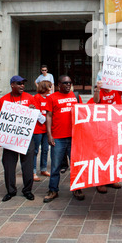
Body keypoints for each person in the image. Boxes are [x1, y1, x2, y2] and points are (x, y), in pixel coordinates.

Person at [0, 76, 40, 202]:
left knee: (27, 166)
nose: (22, 86)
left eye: (23, 84)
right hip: (10, 139)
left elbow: (36, 115)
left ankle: (27, 190)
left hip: (26, 138)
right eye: (19, 83)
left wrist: (33, 111)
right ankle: (11, 191)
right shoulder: (3, 100)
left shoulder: (29, 98)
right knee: (9, 166)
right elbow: (2, 120)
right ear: (12, 85)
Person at [43, 75, 85, 203]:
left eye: (70, 83)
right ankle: (53, 190)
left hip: (74, 137)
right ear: (59, 84)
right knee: (55, 166)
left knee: (76, 165)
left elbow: (83, 113)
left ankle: (77, 188)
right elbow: (48, 116)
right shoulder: (52, 98)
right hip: (58, 138)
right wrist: (49, 135)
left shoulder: (75, 96)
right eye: (65, 83)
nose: (68, 85)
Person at [92, 80, 122, 194]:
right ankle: (100, 182)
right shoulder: (100, 92)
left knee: (114, 155)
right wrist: (97, 89)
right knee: (102, 156)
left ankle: (112, 179)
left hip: (115, 129)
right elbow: (95, 100)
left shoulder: (117, 91)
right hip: (102, 130)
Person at [33, 80, 52, 181]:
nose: (51, 89)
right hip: (38, 128)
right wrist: (46, 119)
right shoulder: (36, 97)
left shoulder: (49, 98)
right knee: (35, 150)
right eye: (49, 87)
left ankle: (43, 168)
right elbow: (36, 111)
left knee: (45, 149)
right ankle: (33, 171)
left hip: (46, 129)